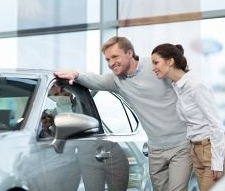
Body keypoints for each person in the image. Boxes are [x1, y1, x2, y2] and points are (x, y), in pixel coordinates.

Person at [54, 36, 192, 191]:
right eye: (107, 60)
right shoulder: (117, 81)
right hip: (155, 149)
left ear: (129, 53)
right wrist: (76, 74)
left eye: (115, 57)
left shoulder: (155, 66)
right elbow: (95, 80)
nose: (111, 63)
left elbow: (185, 81)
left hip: (181, 145)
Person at [151, 43, 225, 191]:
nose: (153, 67)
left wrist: (217, 162)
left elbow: (216, 124)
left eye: (156, 62)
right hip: (196, 150)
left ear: (170, 61)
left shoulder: (195, 85)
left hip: (212, 150)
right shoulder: (177, 87)